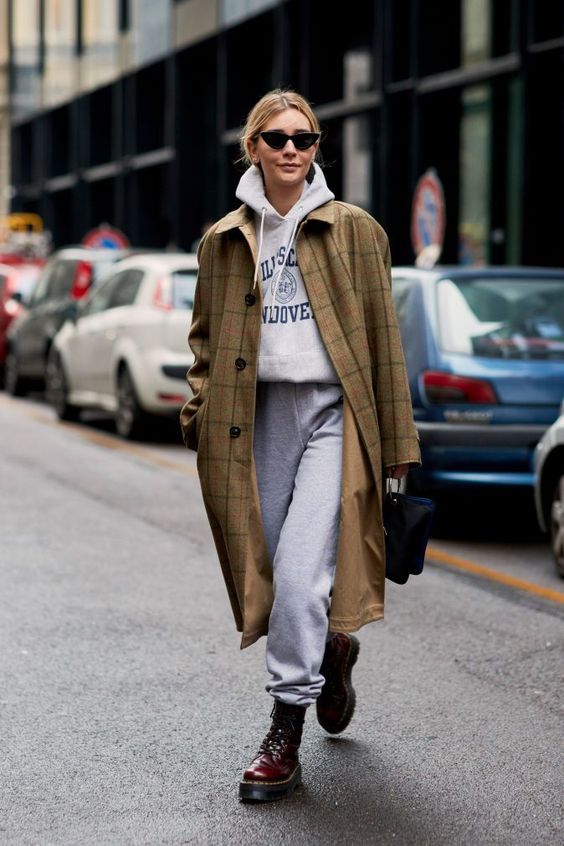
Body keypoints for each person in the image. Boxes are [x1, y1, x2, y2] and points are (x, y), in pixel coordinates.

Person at [180, 88, 420, 802]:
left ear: (317, 148)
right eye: (278, 137)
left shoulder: (355, 230)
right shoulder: (225, 239)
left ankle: (284, 729)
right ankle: (332, 648)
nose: (293, 149)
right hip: (251, 420)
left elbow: (383, 342)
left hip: (332, 416)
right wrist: (199, 408)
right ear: (253, 146)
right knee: (275, 573)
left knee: (298, 575)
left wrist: (398, 442)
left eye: (306, 138)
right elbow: (203, 338)